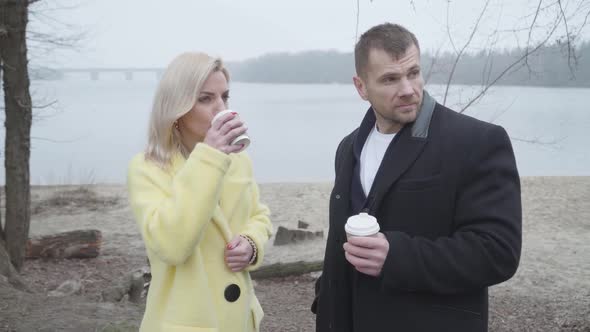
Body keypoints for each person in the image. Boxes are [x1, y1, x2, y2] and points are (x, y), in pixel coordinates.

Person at [312, 23, 522, 332]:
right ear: (361, 87)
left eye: (413, 73)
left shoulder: (477, 141)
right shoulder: (348, 148)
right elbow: (338, 247)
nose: (408, 89)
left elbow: (498, 251)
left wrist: (396, 257)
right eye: (390, 79)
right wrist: (325, 298)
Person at [127, 52, 272, 332]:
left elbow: (259, 215)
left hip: (240, 321)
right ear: (177, 108)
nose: (220, 107)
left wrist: (251, 244)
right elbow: (171, 245)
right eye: (205, 99)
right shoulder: (148, 168)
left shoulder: (238, 160)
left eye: (225, 97)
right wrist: (210, 157)